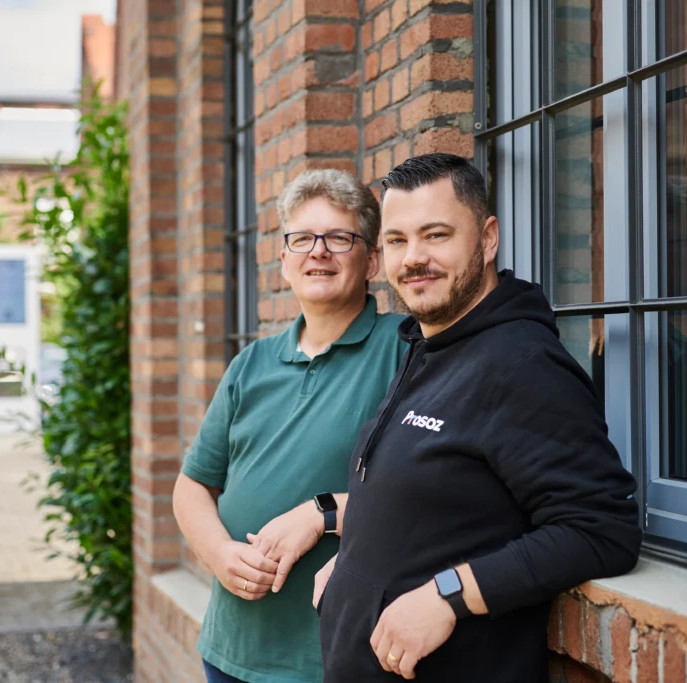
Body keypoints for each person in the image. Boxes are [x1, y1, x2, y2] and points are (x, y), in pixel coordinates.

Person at [315, 153, 642, 682]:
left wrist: (448, 596)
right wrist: (355, 560)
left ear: (487, 239)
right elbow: (442, 500)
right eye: (397, 241)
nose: (413, 258)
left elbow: (600, 529)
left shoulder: (523, 365)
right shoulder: (427, 347)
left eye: (436, 235)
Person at [172, 169, 407, 683]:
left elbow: (431, 493)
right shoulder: (250, 365)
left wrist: (321, 514)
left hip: (330, 660)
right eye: (302, 239)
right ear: (283, 261)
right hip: (230, 650)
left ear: (371, 260)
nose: (317, 251)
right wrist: (219, 554)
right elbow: (192, 485)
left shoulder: (405, 351)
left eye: (339, 238)